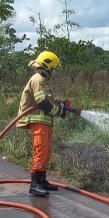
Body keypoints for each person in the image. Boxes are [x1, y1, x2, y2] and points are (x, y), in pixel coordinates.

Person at [17, 50, 75, 196]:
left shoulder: (43, 81)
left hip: (45, 121)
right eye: (53, 68)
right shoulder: (38, 79)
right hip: (38, 121)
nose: (54, 71)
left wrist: (61, 104)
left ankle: (42, 180)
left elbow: (48, 100)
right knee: (41, 150)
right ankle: (35, 184)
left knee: (46, 151)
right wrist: (60, 112)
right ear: (47, 65)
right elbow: (42, 103)